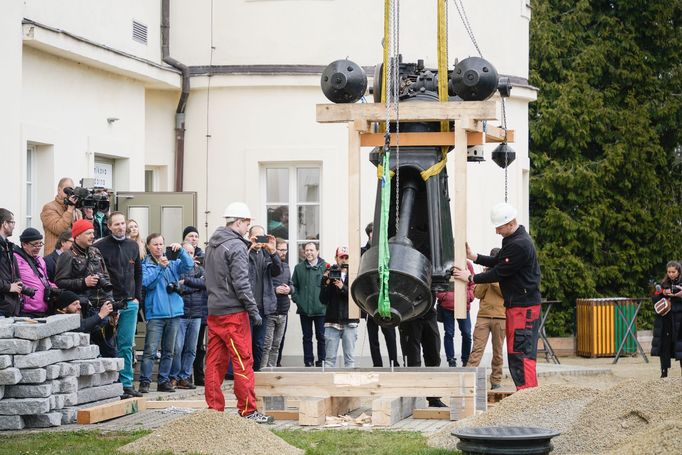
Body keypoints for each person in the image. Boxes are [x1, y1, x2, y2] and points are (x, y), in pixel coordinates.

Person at [453, 202, 542, 391]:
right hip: (516, 305)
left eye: (499, 227)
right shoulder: (513, 240)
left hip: (523, 307)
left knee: (521, 352)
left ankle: (528, 396)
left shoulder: (520, 244)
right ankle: (525, 394)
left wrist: (470, 277)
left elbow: (498, 272)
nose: (497, 232)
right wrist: (474, 256)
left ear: (510, 223)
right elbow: (498, 261)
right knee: (516, 352)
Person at [203, 201, 273, 423]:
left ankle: (214, 411)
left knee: (214, 363)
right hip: (234, 314)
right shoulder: (236, 247)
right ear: (239, 222)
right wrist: (254, 311)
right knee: (243, 361)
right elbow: (242, 283)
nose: (247, 228)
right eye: (247, 223)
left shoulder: (212, 245)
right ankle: (248, 410)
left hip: (215, 312)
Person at [138, 233, 194, 394]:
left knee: (169, 351)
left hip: (174, 313)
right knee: (150, 350)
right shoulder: (145, 264)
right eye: (155, 244)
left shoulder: (173, 263)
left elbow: (189, 266)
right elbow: (146, 283)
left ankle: (163, 381)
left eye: (161, 244)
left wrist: (182, 251)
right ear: (148, 246)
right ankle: (145, 382)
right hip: (156, 314)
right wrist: (160, 268)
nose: (159, 247)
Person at [95, 211, 143, 398]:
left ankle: (127, 384)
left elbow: (138, 273)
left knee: (126, 344)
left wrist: (137, 297)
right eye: (117, 224)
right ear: (109, 226)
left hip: (130, 303)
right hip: (109, 303)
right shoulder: (100, 247)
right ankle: (110, 383)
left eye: (123, 223)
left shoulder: (132, 245)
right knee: (107, 343)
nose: (121, 227)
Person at [55, 219, 117, 356]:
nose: (92, 236)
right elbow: (60, 282)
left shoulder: (96, 252)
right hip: (83, 309)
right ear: (77, 236)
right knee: (90, 353)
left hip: (102, 308)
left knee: (110, 350)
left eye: (93, 233)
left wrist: (111, 303)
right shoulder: (67, 255)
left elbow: (106, 278)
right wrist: (83, 282)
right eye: (88, 233)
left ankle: (113, 378)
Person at [360, 222, 400, 368]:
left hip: (385, 297)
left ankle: (393, 362)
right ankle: (377, 364)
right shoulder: (363, 251)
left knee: (390, 333)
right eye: (372, 233)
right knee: (373, 336)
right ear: (369, 235)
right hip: (370, 298)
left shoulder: (387, 250)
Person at [467, 248, 506, 390]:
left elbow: (504, 292)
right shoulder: (486, 274)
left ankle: (496, 381)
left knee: (498, 352)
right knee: (476, 350)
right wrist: (485, 277)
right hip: (483, 316)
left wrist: (493, 278)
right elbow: (477, 293)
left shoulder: (505, 273)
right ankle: (468, 380)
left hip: (501, 317)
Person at [169, 242, 205, 389]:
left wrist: (187, 284)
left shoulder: (200, 269)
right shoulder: (177, 268)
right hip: (181, 314)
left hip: (196, 314)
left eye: (191, 253)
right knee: (177, 348)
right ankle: (175, 376)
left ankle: (185, 376)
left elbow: (205, 284)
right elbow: (177, 287)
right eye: (186, 252)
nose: (189, 255)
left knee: (191, 348)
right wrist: (193, 287)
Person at [247, 225, 281, 371]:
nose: (260, 241)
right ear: (250, 237)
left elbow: (277, 271)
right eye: (257, 237)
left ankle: (256, 373)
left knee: (260, 344)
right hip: (248, 307)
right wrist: (250, 247)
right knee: (246, 343)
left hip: (263, 306)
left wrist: (273, 251)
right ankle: (245, 374)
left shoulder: (267, 254)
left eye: (262, 237)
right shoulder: (244, 252)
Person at [398, 302, 445, 407]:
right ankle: (412, 397)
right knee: (412, 360)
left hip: (428, 312)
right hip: (409, 314)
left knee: (434, 356)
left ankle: (433, 398)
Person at [320, 246, 359, 367]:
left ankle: (350, 385)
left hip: (350, 320)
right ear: (336, 258)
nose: (344, 260)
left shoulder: (355, 274)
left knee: (350, 359)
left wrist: (343, 287)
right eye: (341, 257)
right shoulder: (331, 274)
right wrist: (325, 284)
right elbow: (322, 300)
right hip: (332, 321)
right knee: (329, 360)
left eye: (347, 257)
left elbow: (357, 296)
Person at [291, 242, 327, 367]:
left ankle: (322, 361)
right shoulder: (299, 268)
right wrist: (297, 300)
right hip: (304, 309)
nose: (309, 253)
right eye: (307, 250)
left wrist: (326, 303)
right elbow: (293, 286)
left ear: (317, 251)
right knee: (307, 337)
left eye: (312, 250)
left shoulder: (325, 267)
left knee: (321, 337)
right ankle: (308, 361)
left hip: (321, 309)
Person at [436, 260, 475, 367]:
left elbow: (473, 283)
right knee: (449, 333)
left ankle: (466, 360)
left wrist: (469, 296)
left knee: (467, 334)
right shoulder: (443, 263)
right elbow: (437, 282)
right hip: (447, 306)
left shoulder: (467, 264)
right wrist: (444, 296)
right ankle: (451, 360)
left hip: (463, 305)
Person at [261, 238, 292, 369]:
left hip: (283, 311)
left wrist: (289, 289)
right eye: (281, 249)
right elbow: (263, 286)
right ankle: (262, 370)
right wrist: (275, 290)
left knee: (277, 344)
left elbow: (292, 284)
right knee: (266, 344)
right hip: (270, 310)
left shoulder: (286, 266)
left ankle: (272, 370)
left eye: (285, 250)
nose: (283, 252)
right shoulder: (267, 264)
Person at [13, 228, 57, 318]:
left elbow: (45, 280)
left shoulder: (40, 260)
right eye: (35, 244)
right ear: (24, 244)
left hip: (45, 308)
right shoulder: (15, 259)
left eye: (40, 244)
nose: (38, 248)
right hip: (26, 311)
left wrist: (54, 287)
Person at [651, 260, 682, 378]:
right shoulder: (663, 283)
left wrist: (679, 295)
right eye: (669, 272)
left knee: (680, 346)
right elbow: (655, 300)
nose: (671, 274)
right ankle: (664, 373)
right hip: (665, 319)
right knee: (664, 345)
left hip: (679, 319)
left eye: (673, 272)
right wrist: (661, 293)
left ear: (678, 271)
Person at [40, 177, 82, 255]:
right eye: (67, 190)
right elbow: (59, 229)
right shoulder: (49, 207)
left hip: (73, 256)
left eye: (72, 190)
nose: (70, 193)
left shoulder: (76, 211)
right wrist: (69, 210)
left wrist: (89, 217)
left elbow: (81, 233)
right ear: (59, 190)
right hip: (55, 257)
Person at [0, 209, 22, 317]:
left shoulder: (7, 246)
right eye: (12, 222)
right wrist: (9, 287)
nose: (14, 225)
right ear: (5, 224)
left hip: (9, 306)